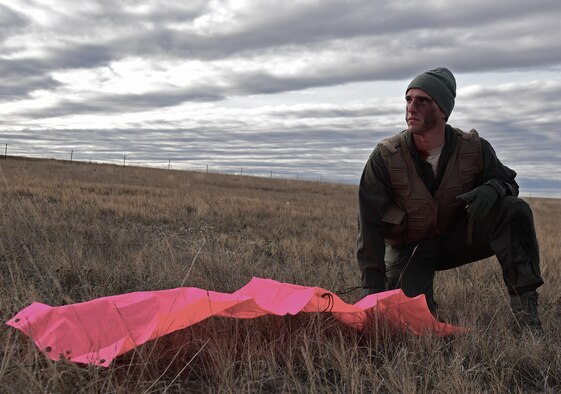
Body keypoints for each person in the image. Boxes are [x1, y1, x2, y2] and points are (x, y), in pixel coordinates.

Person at [356, 67, 544, 334]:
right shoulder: (385, 157)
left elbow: (509, 182)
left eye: (423, 100)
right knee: (412, 326)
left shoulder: (474, 149)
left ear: (443, 110)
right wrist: (372, 292)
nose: (412, 107)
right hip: (410, 250)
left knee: (514, 210)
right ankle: (422, 301)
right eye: (409, 99)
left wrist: (494, 188)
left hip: (456, 239)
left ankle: (525, 320)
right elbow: (369, 226)